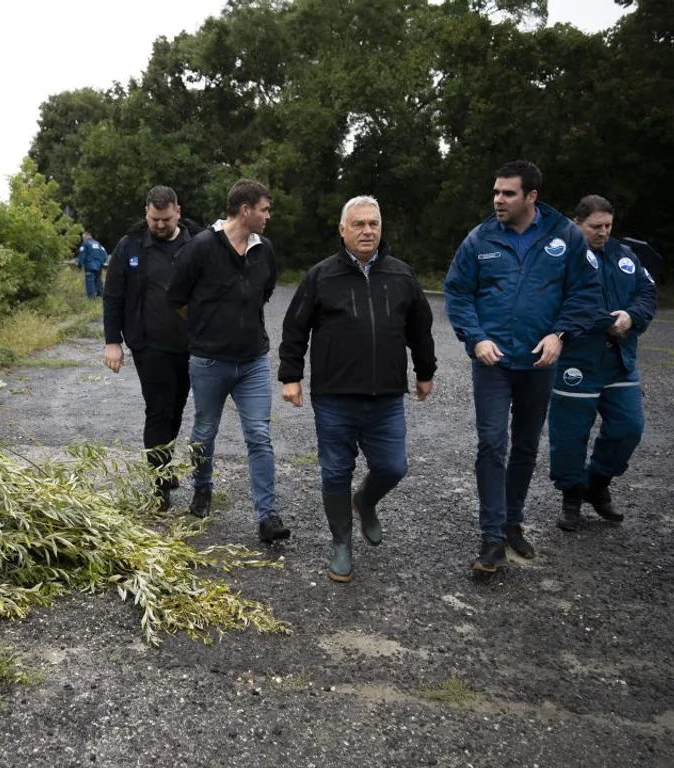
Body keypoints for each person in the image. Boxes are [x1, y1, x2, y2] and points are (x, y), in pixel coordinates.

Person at [444, 160, 603, 573]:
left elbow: (585, 292)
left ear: (531, 197)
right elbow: (458, 293)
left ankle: (513, 521)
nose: (498, 199)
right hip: (492, 363)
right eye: (496, 192)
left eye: (508, 193)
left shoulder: (565, 236)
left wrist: (559, 334)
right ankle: (492, 536)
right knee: (492, 443)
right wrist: (476, 338)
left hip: (538, 362)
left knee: (526, 447)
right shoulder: (479, 239)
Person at [279, 196, 436, 583]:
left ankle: (365, 500)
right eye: (359, 224)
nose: (367, 231)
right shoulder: (321, 276)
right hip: (335, 396)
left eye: (373, 224)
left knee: (393, 466)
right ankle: (341, 544)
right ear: (342, 229)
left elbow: (420, 327)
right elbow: (295, 327)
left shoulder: (401, 275)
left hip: (386, 397)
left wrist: (425, 370)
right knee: (335, 471)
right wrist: (291, 376)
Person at [167, 179, 289, 543]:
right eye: (265, 209)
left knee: (260, 436)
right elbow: (177, 298)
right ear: (245, 209)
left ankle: (267, 515)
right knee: (204, 432)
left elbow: (265, 291)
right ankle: (202, 488)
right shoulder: (201, 247)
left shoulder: (264, 249)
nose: (268, 216)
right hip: (209, 361)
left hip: (253, 361)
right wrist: (207, 328)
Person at [550, 195, 658, 531]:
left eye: (608, 226)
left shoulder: (625, 255)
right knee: (569, 435)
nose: (603, 233)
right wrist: (603, 320)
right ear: (577, 223)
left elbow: (647, 293)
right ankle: (571, 496)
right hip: (576, 360)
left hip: (619, 359)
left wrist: (631, 316)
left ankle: (596, 485)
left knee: (629, 427)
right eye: (596, 226)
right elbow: (556, 301)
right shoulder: (559, 256)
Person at [102, 186, 202, 510]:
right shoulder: (130, 245)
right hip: (150, 345)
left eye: (165, 219)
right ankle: (160, 484)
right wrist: (112, 341)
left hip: (191, 346)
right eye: (153, 219)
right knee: (158, 409)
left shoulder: (197, 244)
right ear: (146, 212)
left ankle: (165, 462)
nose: (159, 225)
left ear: (178, 212)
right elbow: (113, 295)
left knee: (175, 408)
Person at [77, 231, 107, 298]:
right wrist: (103, 262)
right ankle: (101, 295)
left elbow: (82, 254)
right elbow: (104, 254)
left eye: (83, 238)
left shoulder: (85, 244)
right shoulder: (98, 244)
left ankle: (91, 297)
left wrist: (79, 264)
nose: (83, 239)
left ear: (85, 237)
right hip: (99, 265)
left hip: (90, 265)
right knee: (98, 280)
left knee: (90, 281)